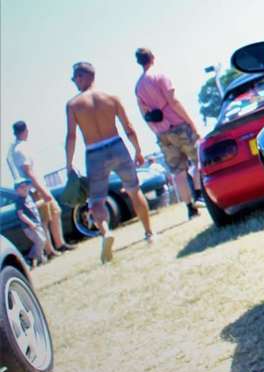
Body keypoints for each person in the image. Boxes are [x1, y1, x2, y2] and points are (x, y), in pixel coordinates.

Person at [64, 61, 155, 263]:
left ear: (82, 77)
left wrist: (69, 164)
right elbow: (128, 127)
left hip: (94, 153)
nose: (74, 82)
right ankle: (149, 233)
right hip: (117, 146)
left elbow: (71, 137)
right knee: (134, 190)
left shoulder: (73, 105)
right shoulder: (112, 97)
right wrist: (138, 150)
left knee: (96, 200)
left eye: (74, 78)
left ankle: (106, 233)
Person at [133, 48, 204, 219]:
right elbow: (173, 101)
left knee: (178, 172)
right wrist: (191, 122)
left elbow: (144, 115)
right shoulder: (160, 76)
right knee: (198, 159)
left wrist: (156, 131)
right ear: (153, 57)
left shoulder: (138, 87)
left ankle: (190, 208)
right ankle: (198, 194)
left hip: (162, 132)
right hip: (178, 125)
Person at [7, 120, 74, 254]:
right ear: (25, 130)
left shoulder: (22, 147)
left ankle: (60, 244)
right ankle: (50, 250)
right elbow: (28, 171)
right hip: (34, 189)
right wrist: (41, 190)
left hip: (40, 185)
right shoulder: (19, 150)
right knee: (44, 220)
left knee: (55, 212)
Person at [14, 181, 49, 267]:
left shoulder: (28, 197)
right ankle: (37, 258)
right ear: (17, 191)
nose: (25, 188)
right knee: (40, 241)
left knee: (42, 240)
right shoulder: (19, 201)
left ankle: (32, 258)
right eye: (22, 187)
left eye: (26, 186)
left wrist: (43, 201)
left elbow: (33, 206)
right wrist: (30, 223)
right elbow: (21, 215)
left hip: (36, 223)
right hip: (28, 226)